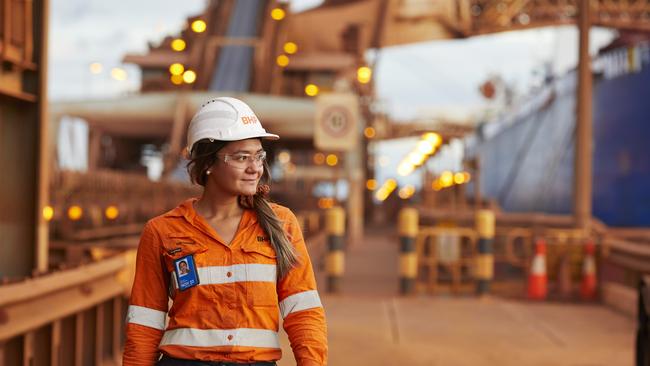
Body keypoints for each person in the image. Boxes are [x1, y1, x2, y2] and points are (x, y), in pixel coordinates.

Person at [123, 97, 328, 366]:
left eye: (259, 156)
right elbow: (144, 322)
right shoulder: (163, 231)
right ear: (208, 163)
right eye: (242, 157)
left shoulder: (281, 224)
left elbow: (304, 312)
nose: (255, 168)